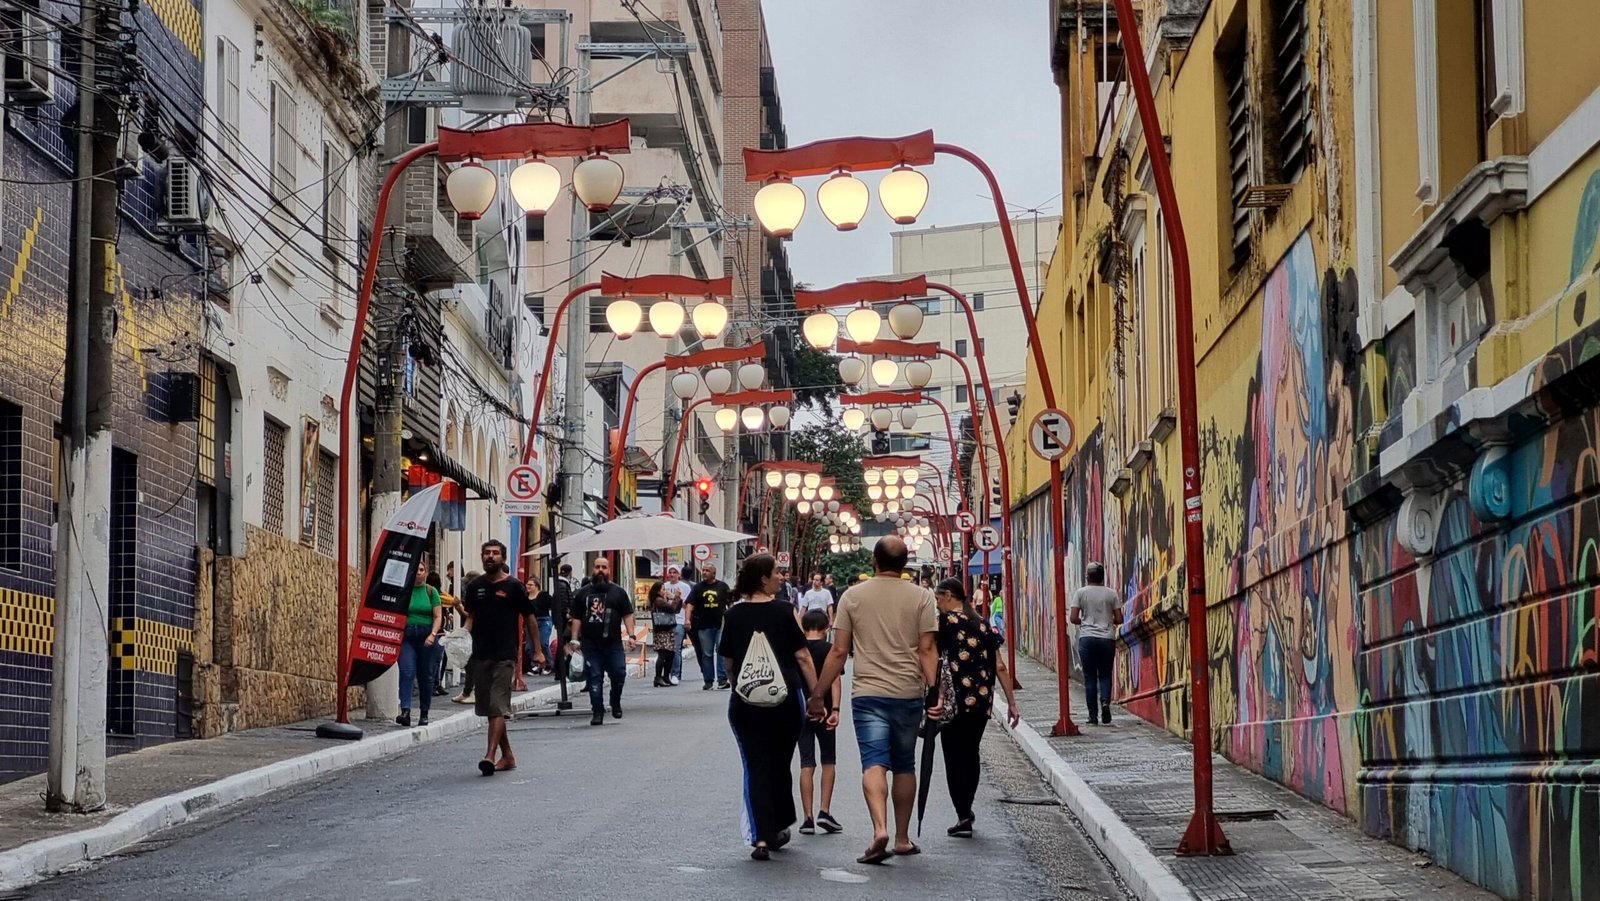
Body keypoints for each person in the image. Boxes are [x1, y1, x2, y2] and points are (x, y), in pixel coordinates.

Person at [810, 537, 941, 865]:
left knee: (874, 763)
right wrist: (934, 691)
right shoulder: (923, 597)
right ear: (905, 563)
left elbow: (839, 651)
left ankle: (879, 829)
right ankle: (901, 839)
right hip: (908, 693)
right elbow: (927, 649)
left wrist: (818, 693)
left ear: (874, 561)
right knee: (905, 764)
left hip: (868, 693)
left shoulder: (852, 596)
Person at [721, 553, 820, 860]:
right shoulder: (785, 611)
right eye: (777, 572)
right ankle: (778, 825)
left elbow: (729, 664)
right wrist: (816, 695)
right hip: (785, 700)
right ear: (763, 578)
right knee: (780, 763)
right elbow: (803, 656)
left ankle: (762, 837)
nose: (781, 576)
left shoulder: (733, 615)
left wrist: (740, 684)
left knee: (756, 766)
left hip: (746, 703)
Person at [933, 577, 1020, 837]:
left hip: (954, 700)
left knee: (953, 756)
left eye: (938, 598)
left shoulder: (945, 622)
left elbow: (936, 660)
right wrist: (1012, 703)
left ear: (949, 595)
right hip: (982, 701)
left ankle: (962, 815)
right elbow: (1000, 666)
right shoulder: (983, 624)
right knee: (971, 753)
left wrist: (936, 695)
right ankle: (967, 807)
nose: (937, 604)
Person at [462, 542, 542, 775]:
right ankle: (507, 755)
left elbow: (530, 618)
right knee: (490, 708)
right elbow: (470, 617)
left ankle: (489, 756)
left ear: (503, 558)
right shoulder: (475, 586)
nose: (490, 557)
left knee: (498, 705)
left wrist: (538, 650)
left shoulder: (514, 586)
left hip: (505, 654)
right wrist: (460, 637)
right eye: (487, 553)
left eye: (495, 553)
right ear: (482, 557)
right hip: (480, 654)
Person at [567, 556, 637, 726]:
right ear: (592, 569)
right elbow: (576, 617)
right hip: (591, 645)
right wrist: (574, 639)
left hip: (613, 644)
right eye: (597, 567)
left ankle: (615, 700)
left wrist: (632, 635)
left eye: (603, 567)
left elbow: (627, 615)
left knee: (619, 673)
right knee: (595, 677)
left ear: (609, 570)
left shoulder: (618, 592)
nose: (600, 570)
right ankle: (597, 711)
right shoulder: (583, 593)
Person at [797, 608, 843, 837]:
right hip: (825, 711)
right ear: (826, 628)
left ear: (804, 627)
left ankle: (807, 818)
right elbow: (835, 681)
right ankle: (825, 810)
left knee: (806, 763)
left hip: (802, 712)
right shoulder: (829, 650)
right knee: (828, 760)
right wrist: (835, 709)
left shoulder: (797, 650)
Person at [1070, 562, 1123, 725]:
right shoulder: (1111, 594)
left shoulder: (1081, 593)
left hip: (1087, 638)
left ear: (1087, 576)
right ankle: (1105, 701)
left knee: (1090, 678)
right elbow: (1119, 618)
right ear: (1102, 577)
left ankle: (1093, 716)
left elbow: (1073, 618)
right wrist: (1107, 621)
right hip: (1107, 638)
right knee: (1105, 674)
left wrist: (1085, 622)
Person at [396, 555, 444, 727]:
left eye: (421, 570)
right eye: (415, 570)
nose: (418, 573)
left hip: (426, 637)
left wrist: (433, 634)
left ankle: (424, 712)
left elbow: (438, 616)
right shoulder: (405, 590)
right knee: (407, 671)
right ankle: (405, 711)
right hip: (407, 636)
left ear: (426, 573)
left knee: (426, 676)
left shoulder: (431, 592)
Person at [685, 563, 731, 689]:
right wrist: (687, 619)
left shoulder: (722, 586)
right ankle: (708, 680)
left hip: (721, 624)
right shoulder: (697, 588)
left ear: (714, 573)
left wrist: (732, 620)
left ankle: (722, 679)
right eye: (703, 570)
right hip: (704, 625)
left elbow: (730, 604)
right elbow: (689, 604)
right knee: (706, 654)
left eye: (707, 571)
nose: (704, 572)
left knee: (721, 651)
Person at [452, 569, 483, 704]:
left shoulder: (479, 596)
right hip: (470, 633)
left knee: (474, 663)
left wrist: (459, 607)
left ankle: (475, 692)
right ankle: (467, 691)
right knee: (469, 663)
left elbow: (471, 616)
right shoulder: (472, 595)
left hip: (477, 633)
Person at [659, 565, 690, 685]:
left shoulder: (685, 587)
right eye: (670, 572)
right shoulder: (664, 586)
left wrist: (675, 598)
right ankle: (666, 674)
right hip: (666, 621)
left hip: (679, 620)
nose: (672, 574)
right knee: (666, 648)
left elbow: (688, 606)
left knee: (676, 648)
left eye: (674, 572)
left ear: (679, 574)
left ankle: (675, 674)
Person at [649, 580, 684, 687]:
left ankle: (665, 676)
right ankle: (658, 677)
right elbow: (672, 608)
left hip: (667, 629)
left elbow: (675, 610)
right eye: (663, 589)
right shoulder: (659, 601)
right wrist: (676, 597)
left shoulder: (662, 600)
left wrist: (675, 599)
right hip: (662, 631)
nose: (665, 591)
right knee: (663, 654)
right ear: (658, 591)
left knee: (670, 654)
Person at [527, 568, 555, 676]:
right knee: (530, 647)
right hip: (530, 623)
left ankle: (548, 664)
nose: (528, 586)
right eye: (527, 584)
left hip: (543, 621)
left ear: (537, 586)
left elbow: (553, 605)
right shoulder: (525, 597)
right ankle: (535, 665)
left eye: (531, 585)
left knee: (543, 643)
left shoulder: (543, 595)